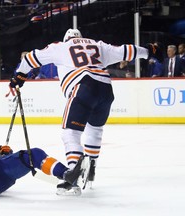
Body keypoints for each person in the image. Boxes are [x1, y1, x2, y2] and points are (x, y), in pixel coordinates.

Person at [9, 28, 163, 194]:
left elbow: (31, 57)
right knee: (95, 130)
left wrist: (20, 76)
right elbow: (126, 51)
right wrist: (149, 51)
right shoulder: (98, 45)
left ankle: (73, 172)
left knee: (70, 133)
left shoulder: (60, 46)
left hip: (83, 85)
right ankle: (90, 169)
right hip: (106, 89)